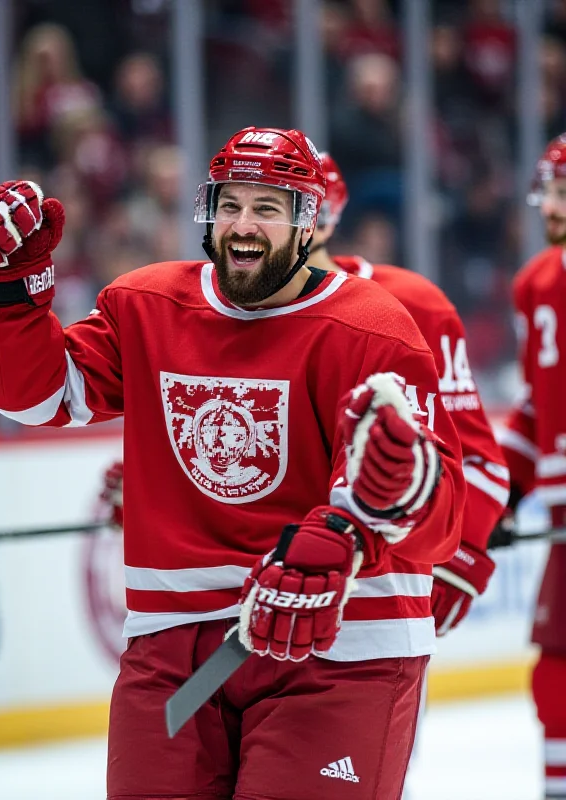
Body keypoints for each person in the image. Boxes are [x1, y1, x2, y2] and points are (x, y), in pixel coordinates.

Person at [0, 127, 465, 800]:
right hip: (176, 656)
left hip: (339, 649)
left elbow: (437, 521)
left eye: (268, 208)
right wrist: (11, 291)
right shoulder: (145, 305)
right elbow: (33, 398)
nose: (243, 224)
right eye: (231, 204)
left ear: (306, 223)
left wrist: (367, 519)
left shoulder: (374, 330)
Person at [311, 152, 509, 635]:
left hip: (374, 597)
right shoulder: (222, 312)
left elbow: (477, 458)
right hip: (254, 588)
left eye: (280, 206)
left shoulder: (413, 302)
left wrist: (462, 554)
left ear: (327, 217)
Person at [496, 133, 566, 800]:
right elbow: (532, 408)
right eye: (547, 189)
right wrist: (503, 493)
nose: (550, 204)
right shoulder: (536, 283)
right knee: (557, 656)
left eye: (562, 190)